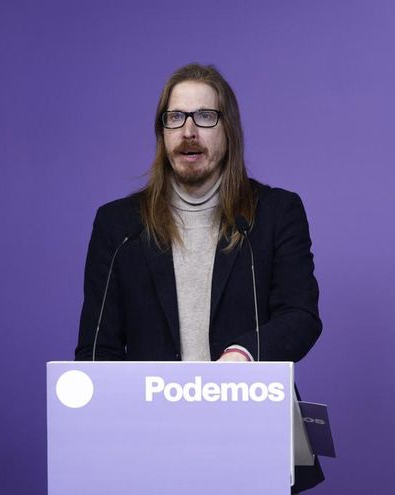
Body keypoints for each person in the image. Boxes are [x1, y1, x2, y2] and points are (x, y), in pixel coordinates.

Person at [75, 63, 324, 492]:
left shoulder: (276, 212)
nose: (188, 131)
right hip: (150, 440)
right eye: (175, 117)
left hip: (253, 433)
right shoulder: (118, 226)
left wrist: (243, 355)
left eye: (205, 116)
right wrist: (108, 438)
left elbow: (301, 316)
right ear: (162, 132)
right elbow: (97, 350)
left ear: (230, 131)